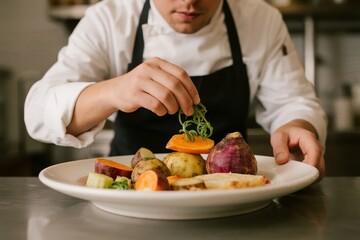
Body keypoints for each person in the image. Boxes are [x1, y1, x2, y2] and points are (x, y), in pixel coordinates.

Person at [25, 0, 327, 180]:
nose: (188, 2)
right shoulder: (110, 17)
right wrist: (113, 91)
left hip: (229, 193)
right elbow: (38, 113)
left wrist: (298, 125)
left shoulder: (260, 19)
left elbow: (292, 101)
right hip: (132, 194)